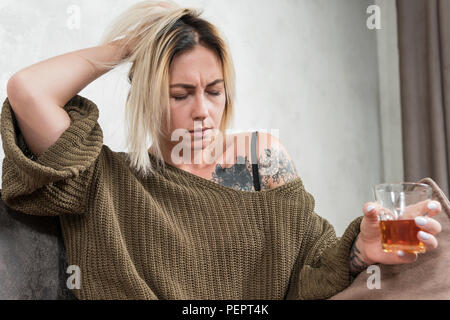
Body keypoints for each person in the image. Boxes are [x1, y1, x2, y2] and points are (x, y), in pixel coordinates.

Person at [1, 1, 442, 300]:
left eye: (214, 91)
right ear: (144, 96)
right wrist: (135, 45)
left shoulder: (261, 161)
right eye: (180, 94)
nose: (203, 112)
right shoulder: (104, 180)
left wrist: (361, 251)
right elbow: (28, 89)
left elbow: (309, 271)